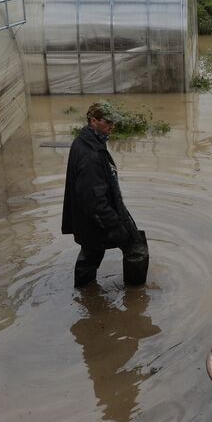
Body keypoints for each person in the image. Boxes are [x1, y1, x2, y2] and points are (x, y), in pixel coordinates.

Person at [62, 103, 149, 288]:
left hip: (86, 220)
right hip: (98, 219)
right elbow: (95, 200)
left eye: (113, 122)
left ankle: (84, 293)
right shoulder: (91, 154)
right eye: (108, 122)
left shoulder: (83, 142)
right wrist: (116, 226)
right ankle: (136, 297)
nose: (112, 126)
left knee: (90, 253)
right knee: (135, 246)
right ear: (93, 121)